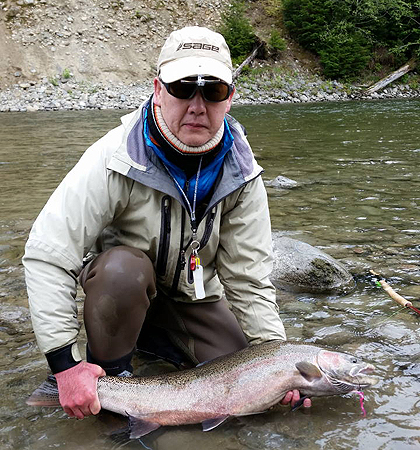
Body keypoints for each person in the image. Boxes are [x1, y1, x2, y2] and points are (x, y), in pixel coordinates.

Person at [23, 26, 311, 420]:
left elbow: (249, 279)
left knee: (250, 387)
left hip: (193, 299)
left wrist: (277, 359)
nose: (197, 106)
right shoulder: (116, 156)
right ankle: (110, 379)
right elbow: (49, 253)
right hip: (122, 292)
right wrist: (64, 364)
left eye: (213, 91)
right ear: (158, 90)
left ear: (230, 98)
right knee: (122, 270)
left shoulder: (242, 172)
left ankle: (157, 342)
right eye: (182, 88)